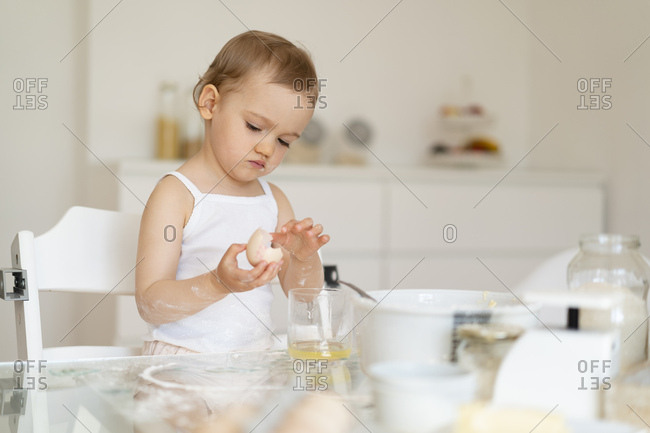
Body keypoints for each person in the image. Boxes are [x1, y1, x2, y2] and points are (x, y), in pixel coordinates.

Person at [135, 30, 329, 355]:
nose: (267, 148)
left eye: (284, 141)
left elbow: (305, 296)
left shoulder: (274, 201)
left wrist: (304, 258)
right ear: (210, 104)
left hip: (252, 365)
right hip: (181, 364)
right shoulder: (177, 195)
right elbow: (151, 305)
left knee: (317, 402)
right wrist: (216, 283)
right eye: (254, 127)